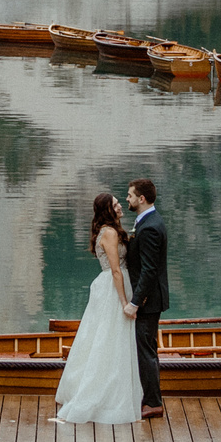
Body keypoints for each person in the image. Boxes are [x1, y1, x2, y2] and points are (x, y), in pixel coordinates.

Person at [54, 193, 143, 426]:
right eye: (115, 204)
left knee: (102, 337)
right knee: (110, 339)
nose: (120, 205)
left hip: (110, 286)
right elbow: (115, 270)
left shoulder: (108, 231)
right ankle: (102, 395)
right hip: (114, 288)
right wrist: (125, 302)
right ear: (108, 210)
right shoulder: (110, 233)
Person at [124, 179, 168, 419]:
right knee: (148, 348)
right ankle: (152, 398)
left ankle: (153, 403)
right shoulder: (148, 221)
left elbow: (150, 270)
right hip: (150, 299)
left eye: (130, 195)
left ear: (141, 199)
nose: (127, 199)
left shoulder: (150, 227)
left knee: (146, 351)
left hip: (149, 301)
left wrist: (135, 302)